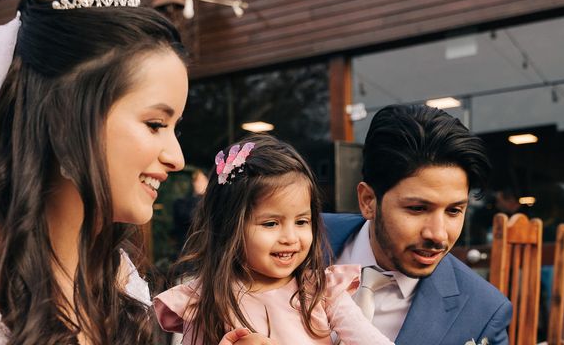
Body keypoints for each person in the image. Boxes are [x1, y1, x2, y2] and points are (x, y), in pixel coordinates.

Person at [0, 0, 270, 345]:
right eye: (154, 124)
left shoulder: (114, 270)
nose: (177, 158)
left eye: (175, 128)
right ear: (66, 120)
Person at [155, 134, 395, 345]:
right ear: (229, 226)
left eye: (302, 221)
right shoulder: (207, 301)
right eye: (271, 223)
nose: (290, 238)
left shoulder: (320, 290)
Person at [324, 104, 513, 345]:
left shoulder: (483, 313)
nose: (438, 235)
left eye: (454, 210)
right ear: (368, 201)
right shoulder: (298, 239)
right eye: (417, 209)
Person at [172, 168, 208, 250]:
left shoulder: (211, 202)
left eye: (202, 181)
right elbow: (190, 218)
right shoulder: (181, 203)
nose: (198, 184)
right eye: (196, 181)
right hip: (186, 246)